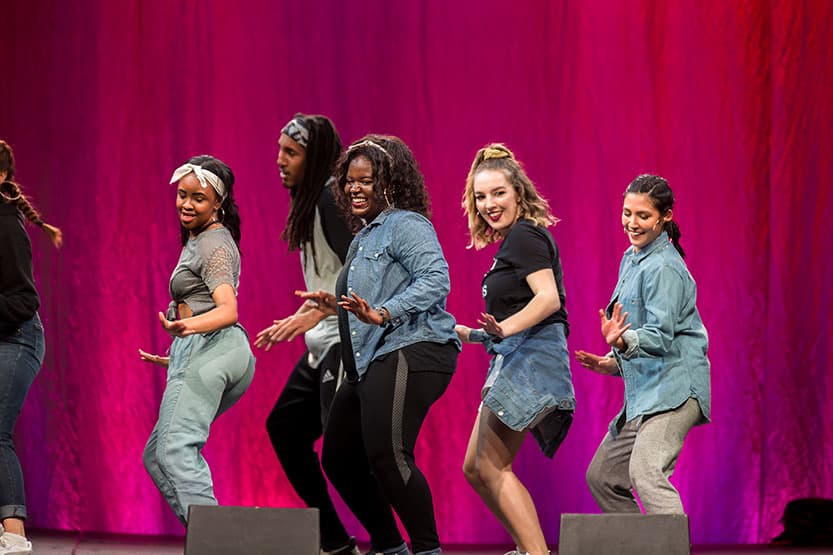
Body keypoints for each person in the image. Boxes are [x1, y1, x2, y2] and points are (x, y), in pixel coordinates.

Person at [300, 135, 460, 555]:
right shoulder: (363, 238)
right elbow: (368, 299)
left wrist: (385, 313)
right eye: (349, 181)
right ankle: (390, 546)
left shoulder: (406, 224)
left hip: (415, 346)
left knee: (387, 452)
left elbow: (436, 280)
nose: (354, 188)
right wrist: (331, 303)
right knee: (337, 456)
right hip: (373, 357)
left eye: (365, 181)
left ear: (389, 182)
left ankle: (426, 549)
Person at [454, 144, 575, 555]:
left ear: (518, 193)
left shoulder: (524, 235)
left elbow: (547, 300)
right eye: (481, 196)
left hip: (532, 359)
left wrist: (501, 329)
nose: (489, 204)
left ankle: (535, 553)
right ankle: (529, 549)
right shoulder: (511, 244)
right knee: (476, 467)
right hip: (516, 357)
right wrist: (470, 334)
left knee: (489, 465)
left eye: (498, 193)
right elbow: (514, 316)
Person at [253, 114, 358, 555]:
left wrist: (316, 313)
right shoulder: (310, 204)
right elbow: (328, 280)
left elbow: (360, 276)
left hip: (345, 345)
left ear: (313, 159)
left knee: (347, 457)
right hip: (322, 345)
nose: (279, 160)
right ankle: (335, 541)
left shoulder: (331, 204)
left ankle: (396, 543)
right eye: (279, 150)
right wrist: (301, 315)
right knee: (285, 429)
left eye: (290, 153)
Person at [576, 173, 711, 514]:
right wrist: (614, 358)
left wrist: (622, 341)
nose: (631, 223)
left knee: (646, 473)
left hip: (676, 390)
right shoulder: (633, 257)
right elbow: (639, 331)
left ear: (666, 216)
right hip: (649, 391)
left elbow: (661, 336)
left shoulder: (665, 267)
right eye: (626, 213)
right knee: (603, 477)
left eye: (643, 215)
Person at [139, 155, 256, 525]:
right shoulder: (203, 238)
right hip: (215, 352)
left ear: (217, 203)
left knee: (175, 451)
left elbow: (227, 309)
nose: (186, 204)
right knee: (157, 454)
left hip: (214, 346)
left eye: (198, 198)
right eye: (182, 195)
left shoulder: (213, 245)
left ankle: (220, 547)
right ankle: (211, 537)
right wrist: (176, 355)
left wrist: (187, 330)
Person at [0, 140, 61, 555]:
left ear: (2, 177)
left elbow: (25, 300)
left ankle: (14, 533)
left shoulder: (6, 222)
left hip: (17, 337)